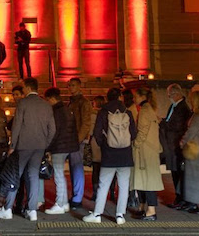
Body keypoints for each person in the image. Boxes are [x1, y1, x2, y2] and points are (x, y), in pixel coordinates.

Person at [0, 77, 56, 222]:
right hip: (39, 146)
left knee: (14, 176)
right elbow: (52, 129)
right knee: (33, 176)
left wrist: (12, 145)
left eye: (23, 88)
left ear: (28, 88)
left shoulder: (23, 103)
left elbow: (16, 126)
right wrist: (45, 143)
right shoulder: (46, 105)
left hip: (23, 146)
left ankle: (8, 208)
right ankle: (32, 210)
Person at [83, 88, 136, 225]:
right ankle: (120, 215)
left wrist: (105, 145)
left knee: (103, 184)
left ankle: (97, 214)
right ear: (119, 97)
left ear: (107, 98)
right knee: (124, 186)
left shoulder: (103, 112)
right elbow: (134, 133)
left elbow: (96, 133)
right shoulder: (128, 112)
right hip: (125, 154)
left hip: (109, 155)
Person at [44, 87, 79, 215]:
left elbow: (54, 131)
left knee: (58, 176)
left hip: (59, 146)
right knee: (61, 176)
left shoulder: (57, 111)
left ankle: (60, 203)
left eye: (48, 100)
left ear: (52, 99)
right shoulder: (66, 109)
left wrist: (48, 147)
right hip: (68, 144)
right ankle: (63, 203)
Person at [130, 88, 163, 220]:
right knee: (145, 180)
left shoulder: (144, 111)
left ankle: (151, 211)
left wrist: (136, 143)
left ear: (141, 96)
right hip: (149, 150)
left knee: (148, 181)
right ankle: (144, 207)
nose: (134, 99)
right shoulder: (149, 109)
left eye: (135, 96)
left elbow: (142, 131)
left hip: (144, 151)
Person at [160, 83, 192, 208]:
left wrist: (162, 123)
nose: (169, 97)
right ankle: (178, 198)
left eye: (170, 95)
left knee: (179, 174)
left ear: (177, 94)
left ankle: (181, 199)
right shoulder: (174, 106)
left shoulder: (183, 108)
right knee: (175, 173)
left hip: (177, 146)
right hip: (172, 146)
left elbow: (176, 126)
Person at [67, 77, 93, 210]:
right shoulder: (73, 102)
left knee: (77, 168)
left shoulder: (83, 103)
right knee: (74, 168)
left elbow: (86, 122)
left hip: (77, 140)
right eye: (69, 85)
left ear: (79, 86)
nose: (70, 88)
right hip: (72, 139)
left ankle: (77, 197)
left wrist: (78, 138)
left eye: (73, 85)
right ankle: (76, 195)